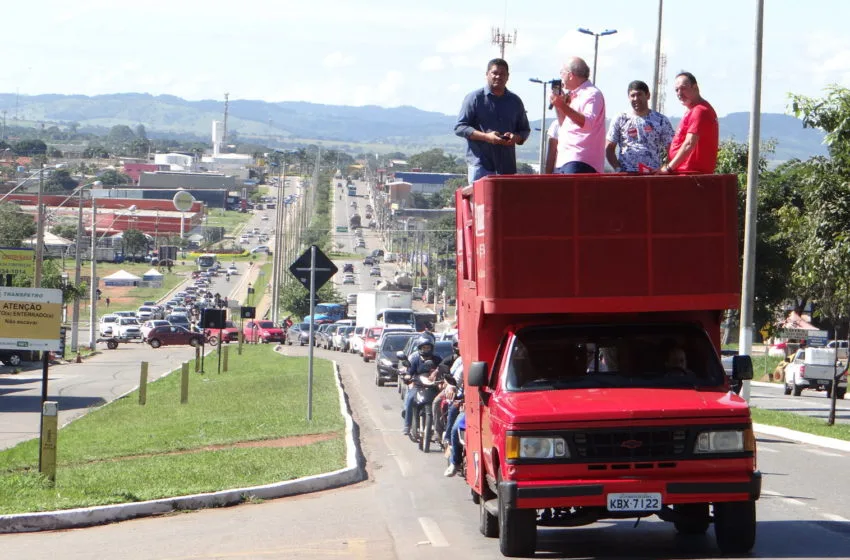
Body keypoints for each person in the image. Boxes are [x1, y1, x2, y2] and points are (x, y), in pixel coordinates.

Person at [455, 58, 531, 184]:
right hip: (481, 165)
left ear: (507, 77)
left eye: (502, 74)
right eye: (495, 73)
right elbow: (460, 127)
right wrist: (486, 137)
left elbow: (524, 130)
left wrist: (515, 137)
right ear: (487, 74)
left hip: (507, 167)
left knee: (505, 203)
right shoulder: (474, 98)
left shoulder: (515, 101)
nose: (498, 77)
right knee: (480, 203)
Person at [550, 57, 606, 174]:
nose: (561, 77)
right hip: (566, 159)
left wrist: (564, 106)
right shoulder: (574, 95)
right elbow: (563, 124)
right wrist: (559, 105)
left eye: (562, 73)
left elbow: (588, 123)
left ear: (570, 75)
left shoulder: (592, 94)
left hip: (580, 160)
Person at [605, 80, 675, 172]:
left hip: (652, 175)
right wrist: (618, 169)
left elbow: (671, 147)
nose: (636, 98)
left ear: (648, 95)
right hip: (627, 174)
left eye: (639, 94)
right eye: (632, 96)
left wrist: (664, 168)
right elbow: (609, 148)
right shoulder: (620, 118)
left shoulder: (661, 120)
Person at [660, 72, 719, 174]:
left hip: (691, 175)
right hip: (685, 173)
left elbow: (689, 143)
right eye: (677, 90)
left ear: (695, 87)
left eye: (683, 88)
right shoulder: (692, 110)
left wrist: (669, 168)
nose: (679, 93)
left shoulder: (700, 111)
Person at [402, 334, 443, 435]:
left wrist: (441, 376)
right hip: (418, 386)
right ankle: (407, 425)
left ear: (432, 348)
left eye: (428, 347)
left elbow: (444, 369)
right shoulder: (415, 359)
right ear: (420, 348)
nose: (426, 350)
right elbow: (410, 371)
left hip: (433, 387)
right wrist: (407, 376)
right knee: (410, 399)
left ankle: (441, 428)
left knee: (442, 402)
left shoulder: (437, 359)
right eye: (424, 347)